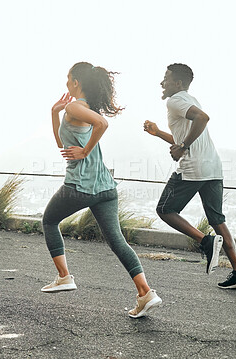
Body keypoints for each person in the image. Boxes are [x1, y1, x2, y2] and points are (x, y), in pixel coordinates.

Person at [41, 61, 162, 318]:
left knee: (49, 221)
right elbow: (63, 144)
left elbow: (102, 125)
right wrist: (54, 114)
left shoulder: (76, 107)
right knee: (117, 241)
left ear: (76, 82)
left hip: (79, 186)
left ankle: (64, 276)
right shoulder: (78, 109)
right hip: (105, 187)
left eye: (68, 78)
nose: (66, 83)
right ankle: (145, 293)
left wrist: (84, 151)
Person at [144, 63, 236, 289]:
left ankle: (206, 242)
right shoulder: (190, 100)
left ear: (178, 83)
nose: (161, 83)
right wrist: (159, 134)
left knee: (165, 209)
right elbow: (185, 134)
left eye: (166, 78)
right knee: (217, 220)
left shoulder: (174, 101)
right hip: (212, 167)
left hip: (193, 168)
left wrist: (183, 146)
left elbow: (202, 119)